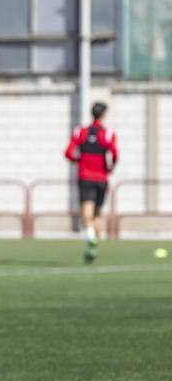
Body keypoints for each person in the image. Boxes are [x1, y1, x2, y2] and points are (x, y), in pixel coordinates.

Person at [65, 102, 119, 263]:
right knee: (96, 215)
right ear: (103, 116)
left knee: (86, 214)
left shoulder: (80, 132)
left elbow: (68, 153)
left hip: (86, 177)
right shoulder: (107, 134)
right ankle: (94, 248)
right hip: (102, 179)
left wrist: (80, 160)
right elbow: (115, 154)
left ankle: (91, 238)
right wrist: (109, 167)